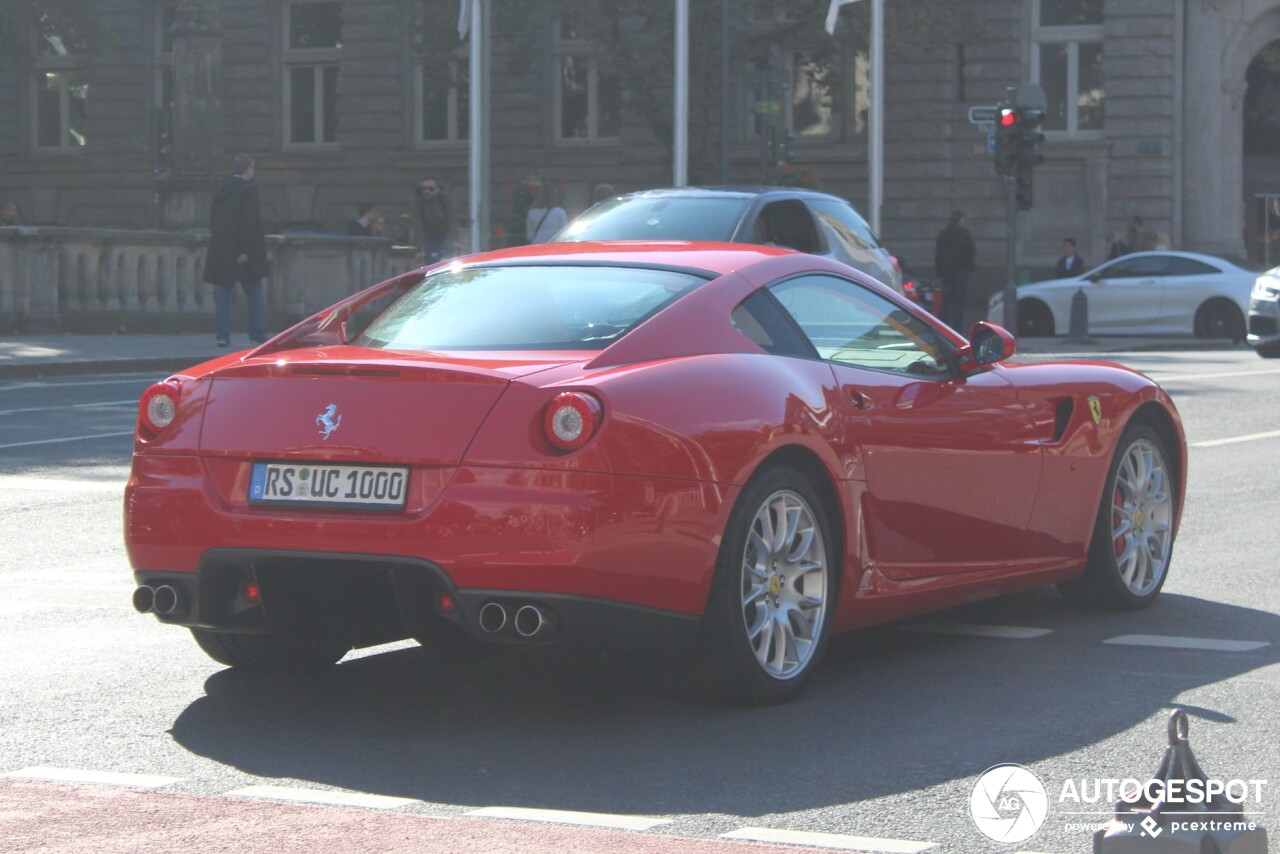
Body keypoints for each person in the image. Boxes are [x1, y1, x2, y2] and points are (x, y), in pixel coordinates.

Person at [204, 153, 269, 347]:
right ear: (247, 169)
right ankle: (257, 334)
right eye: (252, 168)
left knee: (223, 294)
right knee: (254, 292)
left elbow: (214, 220)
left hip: (223, 250)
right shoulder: (248, 191)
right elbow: (249, 222)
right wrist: (246, 250)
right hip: (243, 251)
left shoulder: (223, 190)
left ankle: (222, 334)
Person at [934, 210, 976, 331]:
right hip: (961, 273)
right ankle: (957, 330)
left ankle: (944, 328)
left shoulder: (943, 235)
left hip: (946, 273)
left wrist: (939, 273)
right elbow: (971, 253)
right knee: (959, 303)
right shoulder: (965, 235)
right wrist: (969, 269)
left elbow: (938, 255)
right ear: (961, 220)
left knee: (945, 303)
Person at [415, 177, 457, 262]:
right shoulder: (418, 202)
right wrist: (421, 249)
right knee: (430, 259)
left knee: (448, 252)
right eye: (423, 189)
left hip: (445, 231)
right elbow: (418, 225)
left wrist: (456, 240)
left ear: (437, 190)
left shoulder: (445, 198)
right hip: (429, 235)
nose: (426, 191)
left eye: (431, 189)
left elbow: (453, 219)